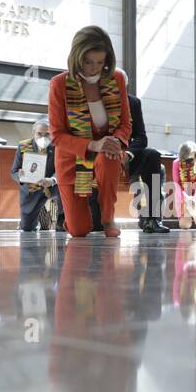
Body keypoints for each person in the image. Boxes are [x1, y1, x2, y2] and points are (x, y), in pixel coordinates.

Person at [48, 25, 131, 238]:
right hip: (72, 158)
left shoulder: (117, 79)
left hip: (106, 153)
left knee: (110, 153)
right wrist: (93, 144)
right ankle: (75, 217)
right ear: (77, 57)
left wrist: (115, 140)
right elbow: (57, 135)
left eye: (100, 62)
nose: (94, 68)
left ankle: (107, 217)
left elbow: (125, 124)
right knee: (79, 230)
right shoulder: (59, 84)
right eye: (88, 61)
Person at [126, 93, 171, 233]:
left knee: (152, 155)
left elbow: (141, 137)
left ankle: (151, 219)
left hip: (127, 154)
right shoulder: (95, 95)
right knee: (95, 225)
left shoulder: (133, 102)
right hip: (100, 151)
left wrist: (128, 153)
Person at [12, 118, 61, 232]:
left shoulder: (58, 147)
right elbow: (13, 171)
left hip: (53, 187)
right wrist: (20, 176)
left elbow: (62, 170)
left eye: (47, 134)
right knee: (27, 228)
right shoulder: (23, 146)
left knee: (64, 189)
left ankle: (60, 220)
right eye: (39, 134)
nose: (43, 137)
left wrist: (53, 180)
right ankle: (36, 217)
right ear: (33, 132)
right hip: (31, 190)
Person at [173, 140, 196, 229]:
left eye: (193, 158)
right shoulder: (176, 163)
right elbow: (176, 182)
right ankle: (195, 217)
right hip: (182, 194)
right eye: (187, 159)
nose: (190, 162)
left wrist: (194, 198)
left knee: (193, 208)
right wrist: (185, 198)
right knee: (185, 225)